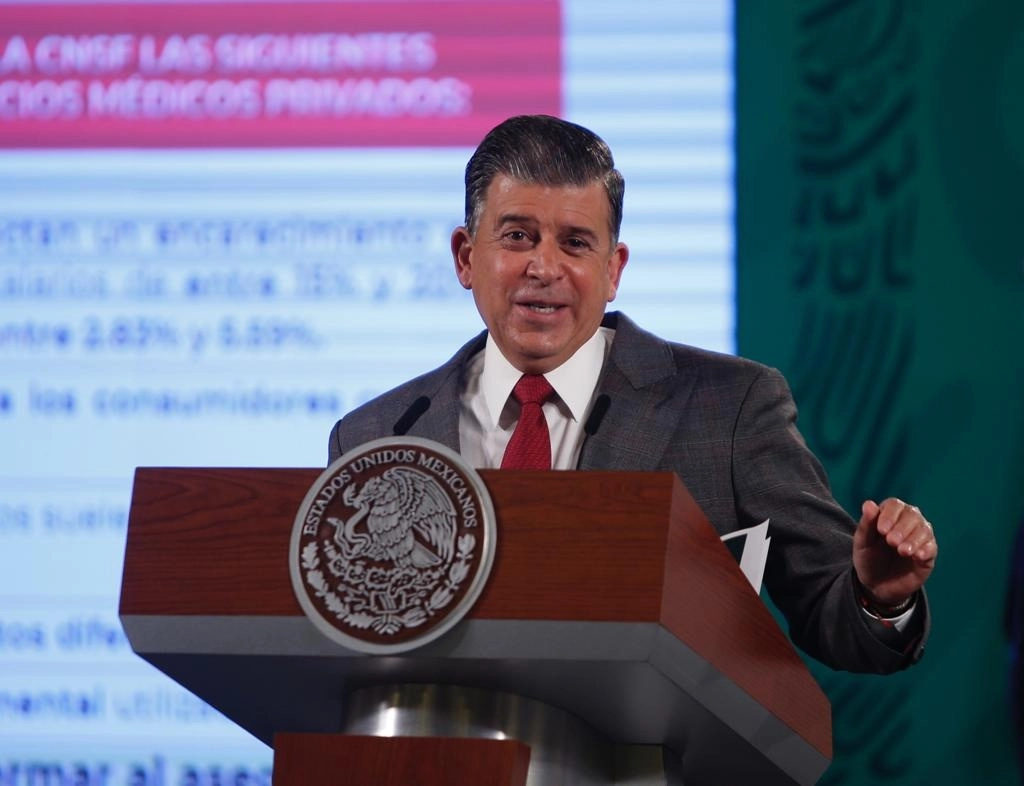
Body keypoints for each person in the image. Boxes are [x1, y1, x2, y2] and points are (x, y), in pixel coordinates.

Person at [328, 114, 937, 673]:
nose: (544, 267)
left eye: (575, 242)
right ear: (466, 257)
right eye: (517, 236)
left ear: (613, 269)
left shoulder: (731, 407)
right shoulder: (374, 436)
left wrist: (879, 596)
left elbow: (833, 613)